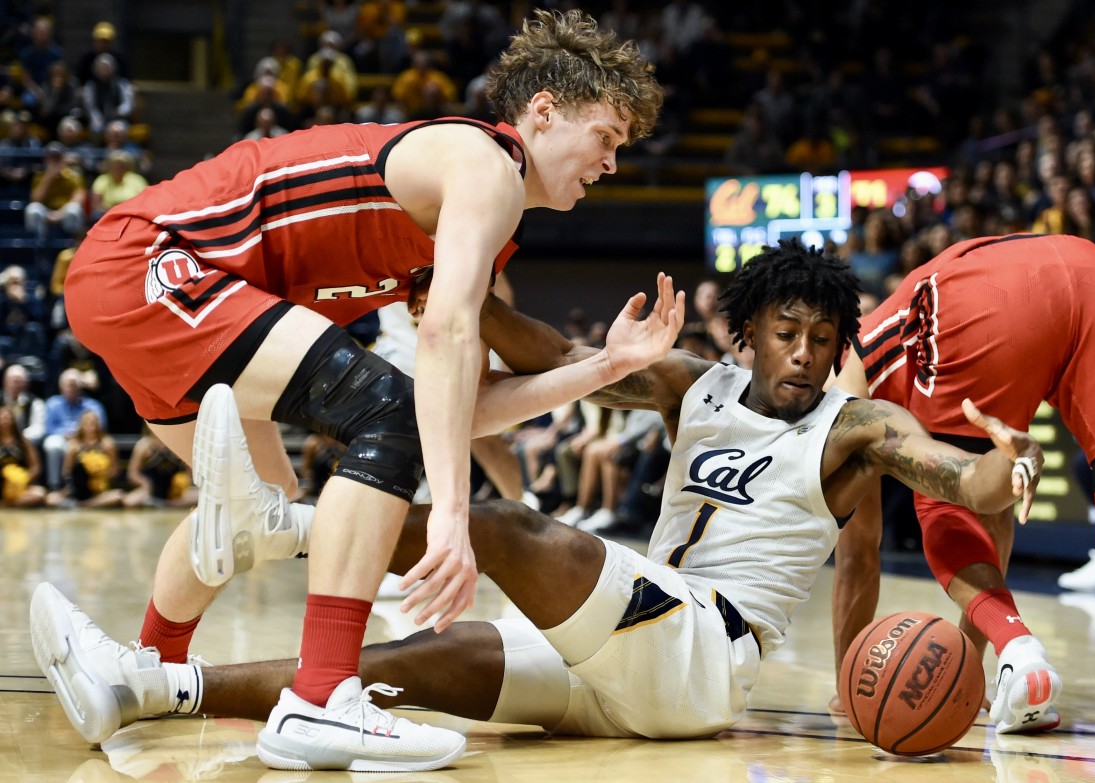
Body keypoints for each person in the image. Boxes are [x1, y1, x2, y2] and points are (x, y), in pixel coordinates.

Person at [33, 241, 1043, 754]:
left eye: (824, 341)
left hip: (703, 653)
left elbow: (952, 473)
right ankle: (151, 687)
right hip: (622, 654)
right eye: (789, 332)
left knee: (512, 528)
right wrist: (461, 303)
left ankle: (287, 522)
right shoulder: (702, 384)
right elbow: (563, 357)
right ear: (749, 332)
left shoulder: (852, 428)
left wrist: (1006, 464)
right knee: (398, 667)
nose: (807, 354)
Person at [51, 9, 664, 771]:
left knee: (257, 502)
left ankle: (142, 668)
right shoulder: (487, 165)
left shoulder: (476, 216)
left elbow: (456, 407)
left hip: (149, 284)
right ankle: (321, 697)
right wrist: (449, 515)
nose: (611, 162)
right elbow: (441, 344)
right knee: (383, 410)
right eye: (606, 137)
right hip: (161, 264)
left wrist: (601, 368)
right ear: (543, 112)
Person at [831, 232, 1095, 748]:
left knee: (944, 505)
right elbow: (996, 520)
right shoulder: (851, 349)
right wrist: (968, 663)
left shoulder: (838, 399)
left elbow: (857, 554)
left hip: (984, 298)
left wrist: (847, 680)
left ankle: (1022, 657)